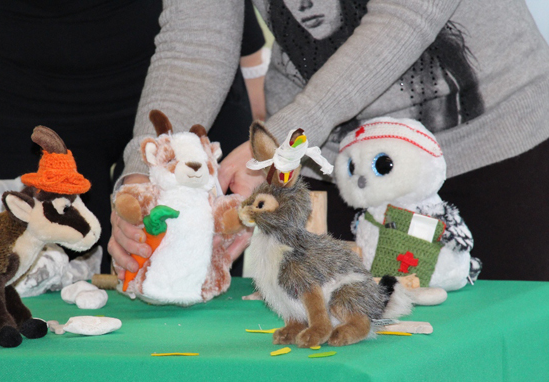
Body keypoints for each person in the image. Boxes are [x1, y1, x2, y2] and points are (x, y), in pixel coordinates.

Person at [111, 0, 549, 282]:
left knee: (508, 357)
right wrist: (146, 176)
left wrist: (283, 141)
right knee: (339, 354)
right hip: (330, 168)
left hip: (492, 148)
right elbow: (194, 43)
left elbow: (408, 13)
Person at [0, 0, 265, 273]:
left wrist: (254, 72)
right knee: (25, 292)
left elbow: (206, 23)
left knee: (185, 286)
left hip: (181, 85)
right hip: (17, 104)